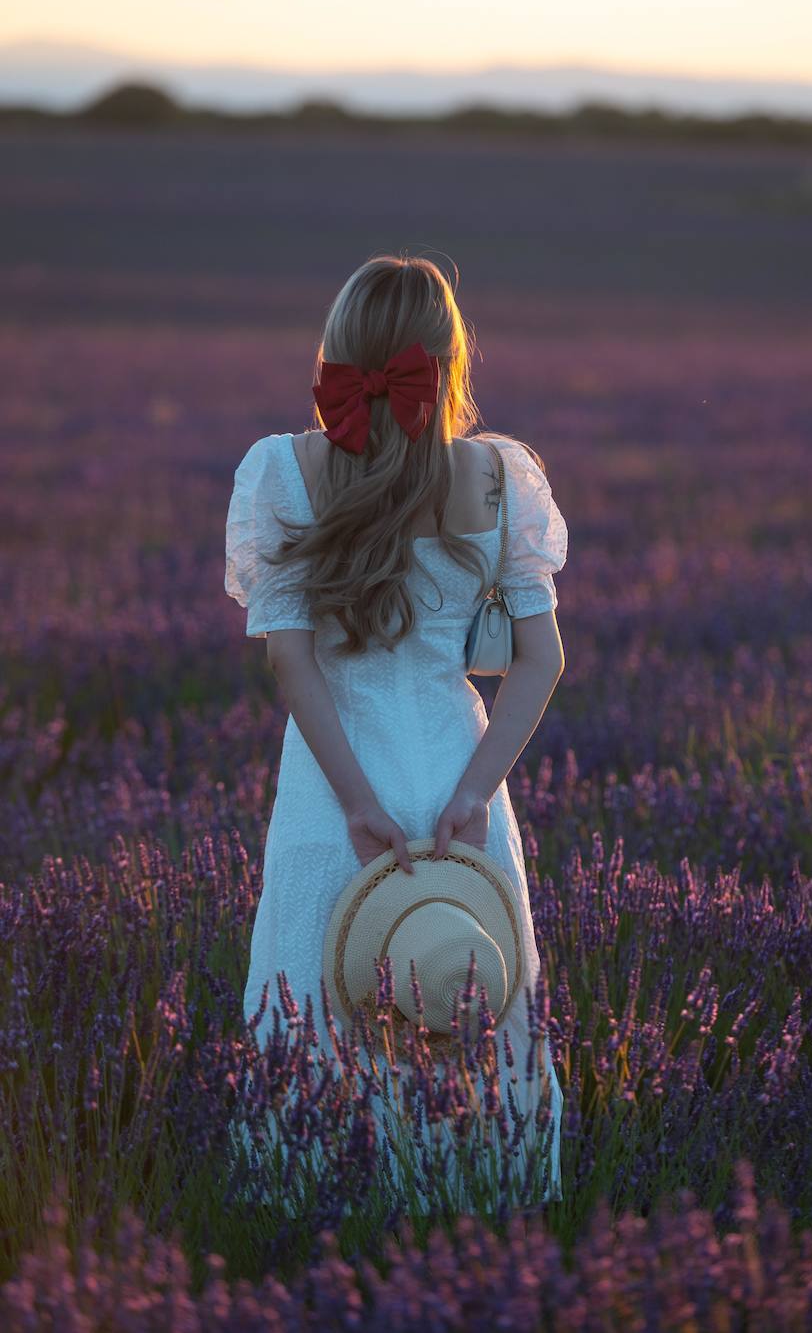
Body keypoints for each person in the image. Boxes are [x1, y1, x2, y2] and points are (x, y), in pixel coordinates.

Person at [224, 253, 568, 1214]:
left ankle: (315, 1230)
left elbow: (293, 663)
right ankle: (478, 1223)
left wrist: (360, 806)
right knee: (468, 1000)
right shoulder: (498, 477)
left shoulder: (282, 473)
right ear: (450, 358)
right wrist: (470, 794)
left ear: (338, 350)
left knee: (319, 1012)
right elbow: (540, 661)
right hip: (462, 781)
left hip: (337, 793)